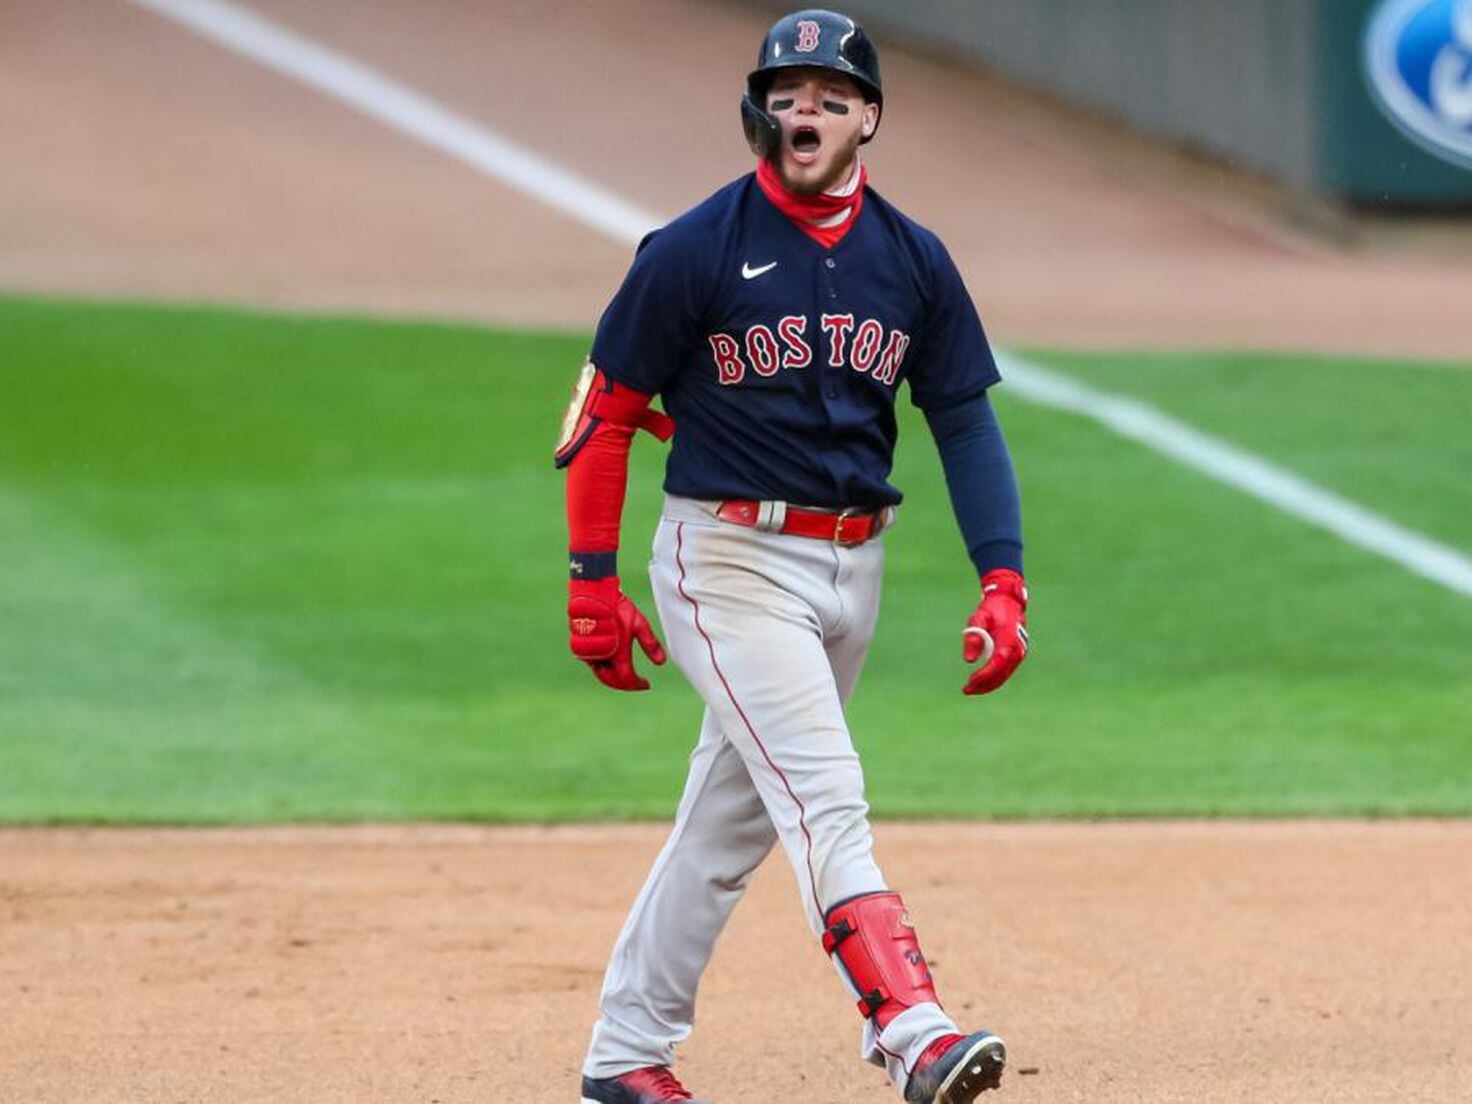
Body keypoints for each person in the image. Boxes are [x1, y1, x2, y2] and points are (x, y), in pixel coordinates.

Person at [556, 10, 1028, 1103]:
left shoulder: (912, 260)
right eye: (783, 92)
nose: (800, 109)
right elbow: (606, 413)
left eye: (825, 93)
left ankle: (624, 1055)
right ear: (756, 114)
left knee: (725, 824)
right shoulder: (690, 252)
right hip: (724, 562)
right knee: (822, 796)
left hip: (852, 570)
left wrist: (1000, 575)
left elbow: (962, 421)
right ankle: (910, 1029)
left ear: (867, 116)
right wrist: (593, 582)